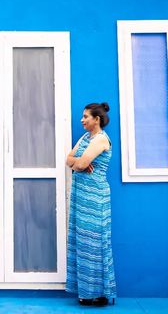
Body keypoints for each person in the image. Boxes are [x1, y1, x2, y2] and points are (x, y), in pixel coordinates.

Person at [65, 102, 116, 307]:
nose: (82, 120)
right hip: (81, 195)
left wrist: (79, 164)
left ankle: (99, 293)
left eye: (86, 116)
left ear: (97, 119)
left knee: (94, 242)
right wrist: (79, 164)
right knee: (83, 241)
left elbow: (80, 164)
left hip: (95, 197)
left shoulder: (101, 139)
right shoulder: (86, 137)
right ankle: (86, 293)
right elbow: (68, 160)